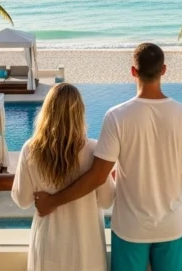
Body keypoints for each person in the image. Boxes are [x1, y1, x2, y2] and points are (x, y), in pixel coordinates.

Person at [35, 43, 182, 271]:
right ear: (163, 70)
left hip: (130, 228)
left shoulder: (117, 116)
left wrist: (53, 201)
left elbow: (97, 176)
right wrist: (165, 175)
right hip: (171, 227)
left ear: (133, 71)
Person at [12, 83, 115, 271]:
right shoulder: (94, 150)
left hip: (48, 247)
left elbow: (23, 200)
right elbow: (107, 201)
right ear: (80, 113)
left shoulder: (31, 149)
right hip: (86, 250)